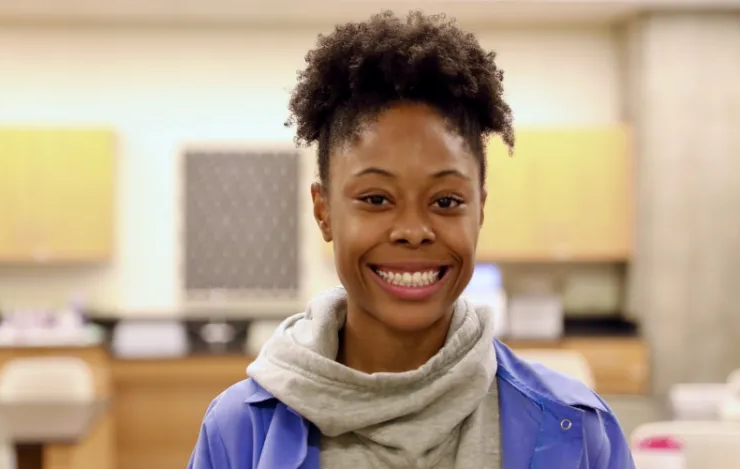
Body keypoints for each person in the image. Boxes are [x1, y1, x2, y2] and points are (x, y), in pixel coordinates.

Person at [187, 10, 634, 469]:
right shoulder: (239, 433)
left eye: (445, 201)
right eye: (377, 198)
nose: (413, 231)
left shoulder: (579, 431)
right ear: (324, 212)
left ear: (480, 209)